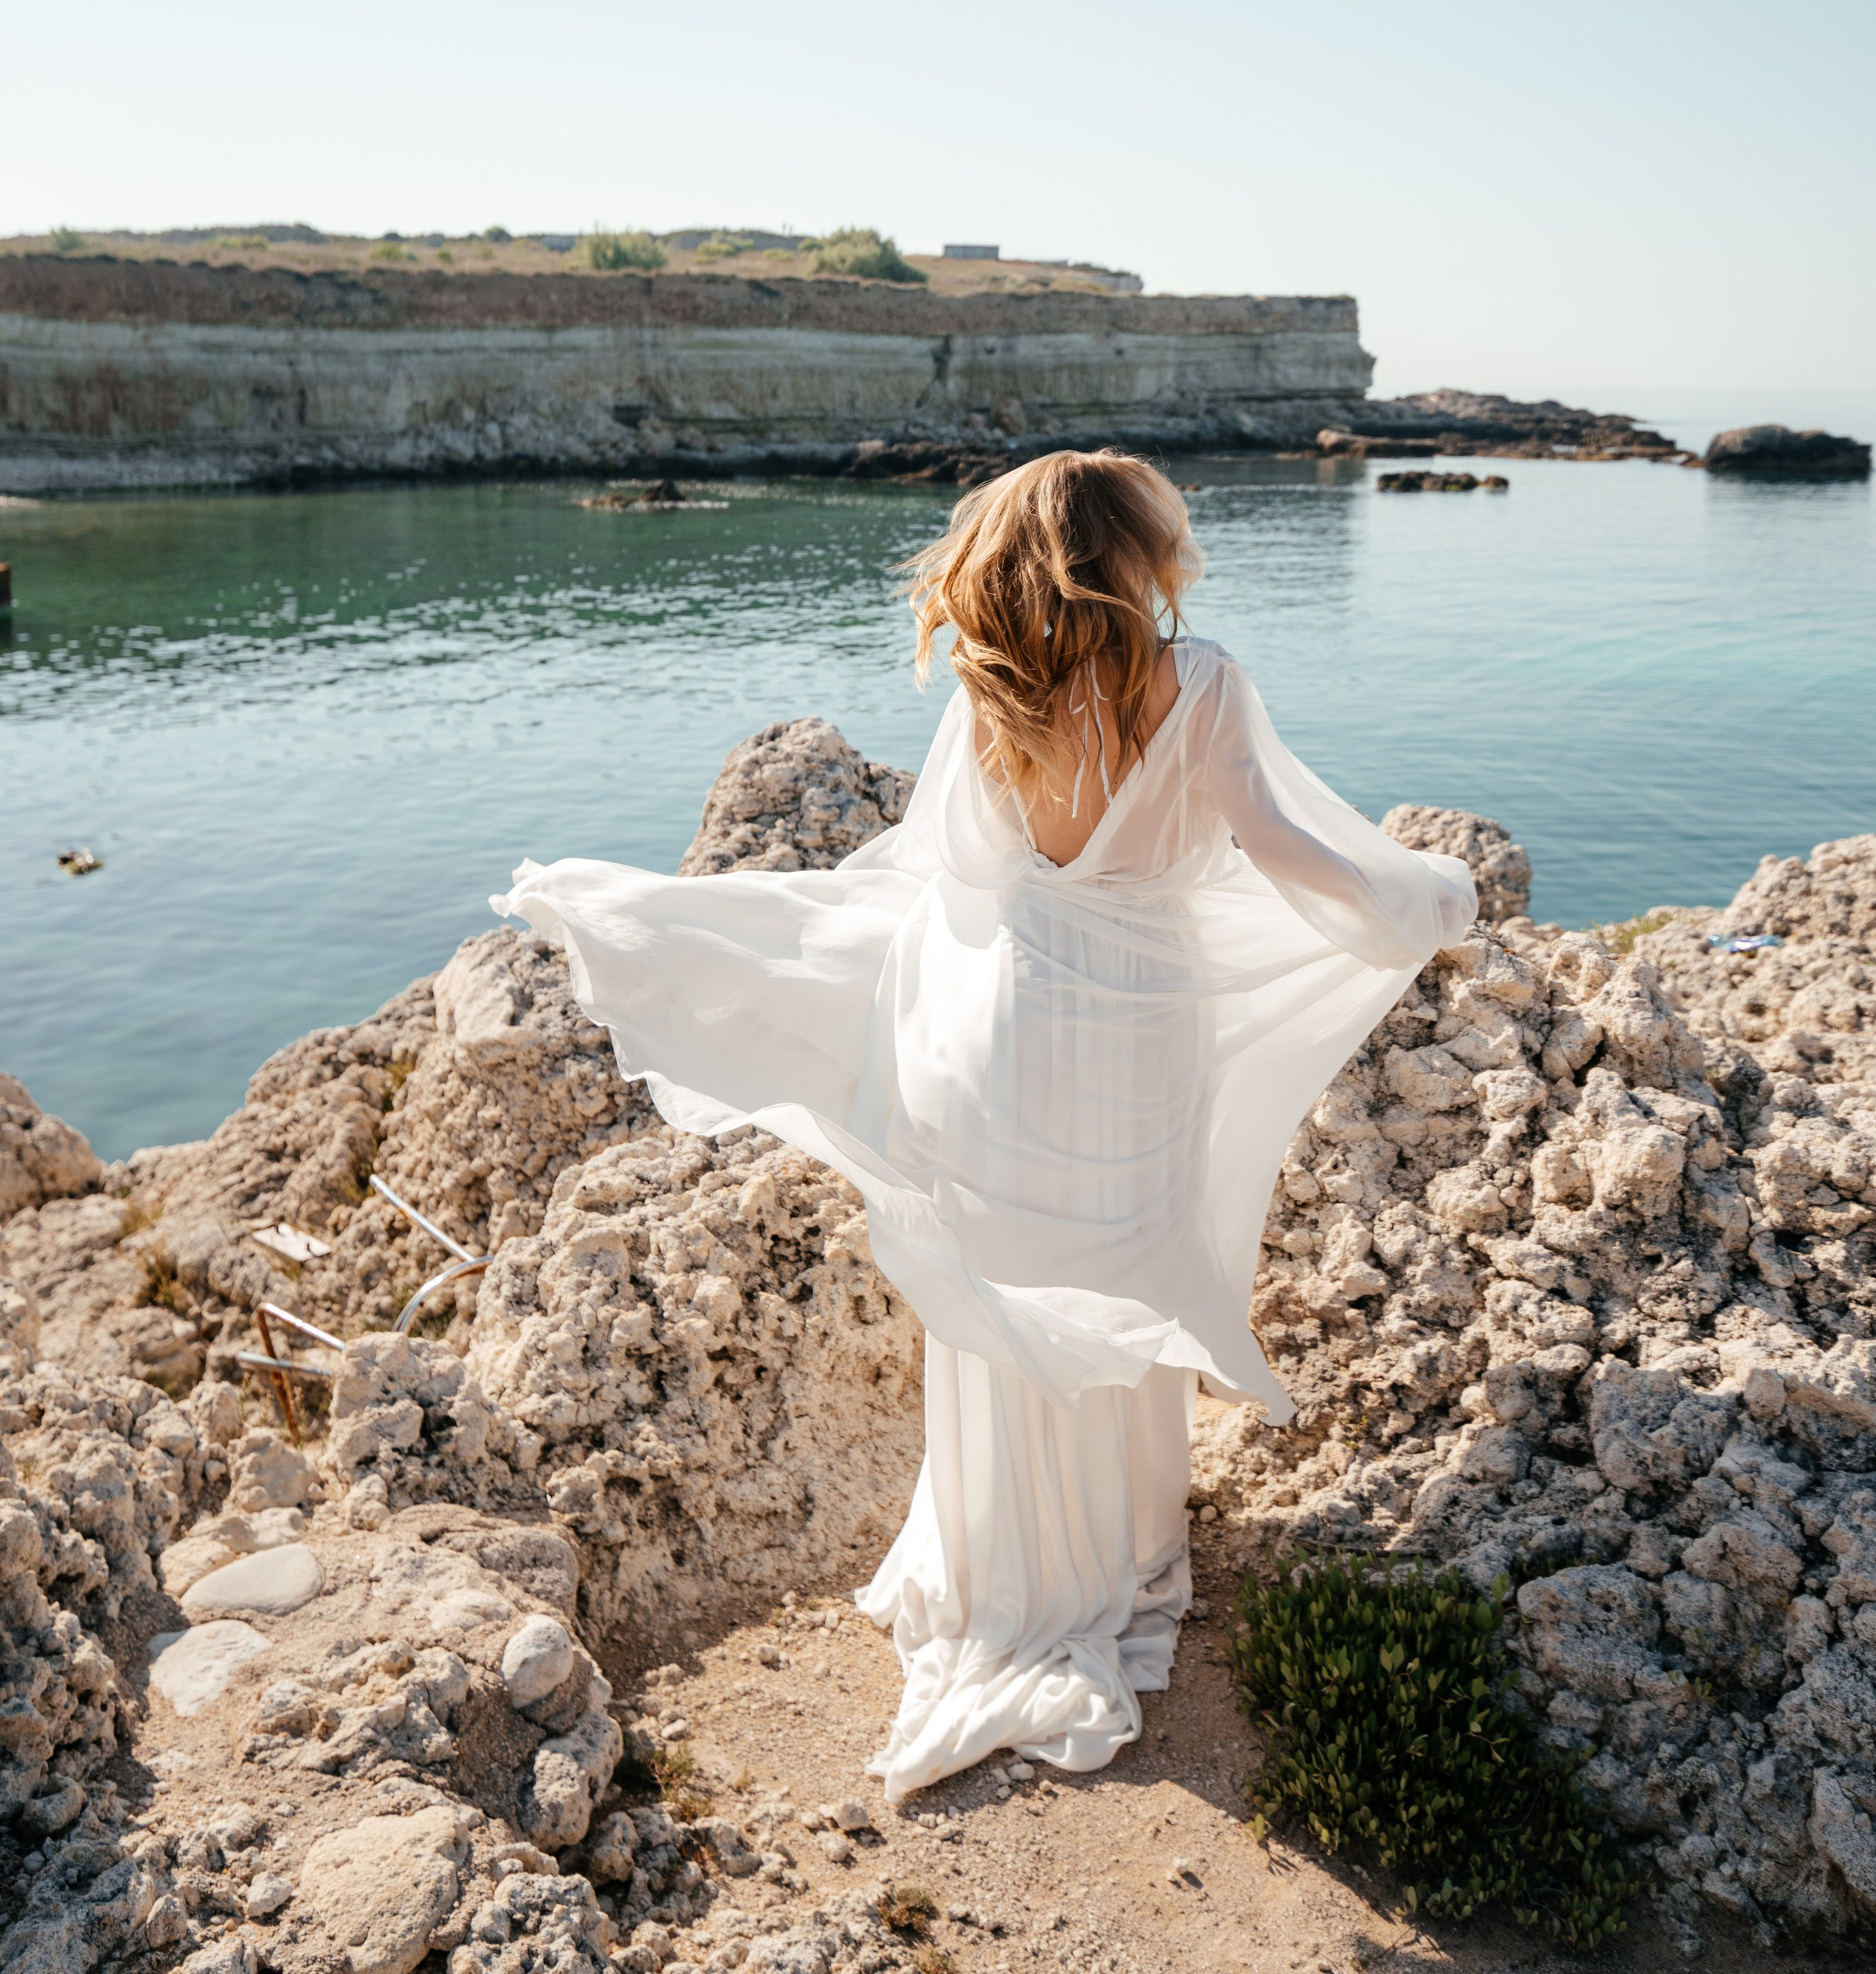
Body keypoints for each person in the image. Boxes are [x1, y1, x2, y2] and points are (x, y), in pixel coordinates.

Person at [495, 449, 1476, 1797]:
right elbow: (1292, 856)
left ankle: (1001, 1573)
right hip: (1137, 1038)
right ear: (1129, 554)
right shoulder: (1197, 685)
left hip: (1002, 1030)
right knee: (1120, 1285)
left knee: (1006, 1305)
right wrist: (1434, 896)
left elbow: (942, 873)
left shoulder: (991, 690)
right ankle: (1115, 1559)